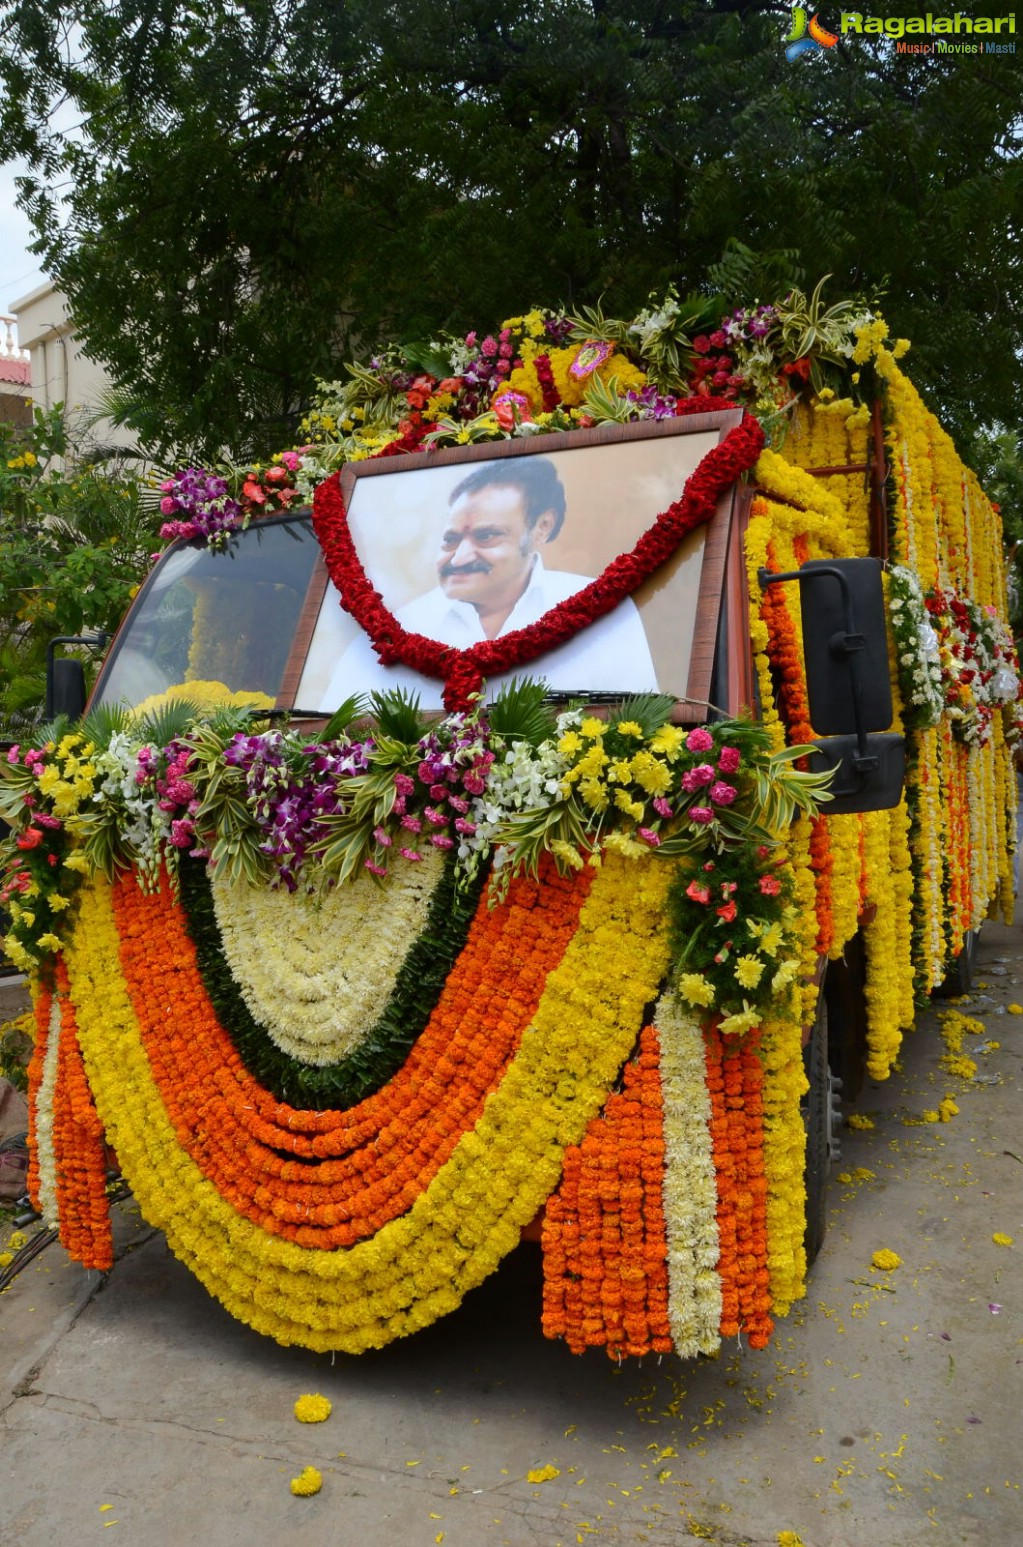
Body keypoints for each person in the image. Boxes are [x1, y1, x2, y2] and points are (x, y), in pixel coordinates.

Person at [320, 456, 658, 708]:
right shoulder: (397, 627)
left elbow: (640, 724)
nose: (460, 557)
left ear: (541, 527)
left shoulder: (603, 610)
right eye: (451, 539)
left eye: (486, 536)